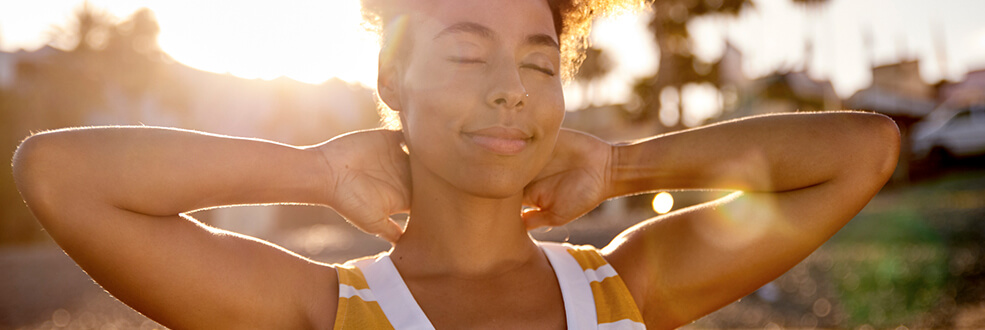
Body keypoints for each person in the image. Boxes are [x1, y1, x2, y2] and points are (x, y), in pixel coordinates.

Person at [11, 0, 900, 328]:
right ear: (392, 76)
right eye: (468, 55)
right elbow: (59, 176)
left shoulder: (625, 289)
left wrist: (621, 166)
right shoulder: (321, 310)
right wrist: (315, 173)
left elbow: (863, 151)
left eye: (541, 62)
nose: (512, 90)